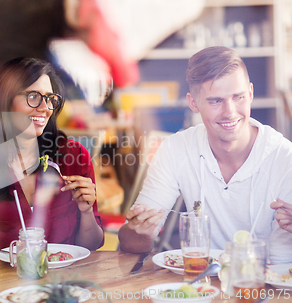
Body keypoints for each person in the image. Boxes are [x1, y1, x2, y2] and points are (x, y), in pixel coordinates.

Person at [118, 46, 292, 264]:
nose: (230, 111)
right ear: (193, 103)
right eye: (215, 101)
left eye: (238, 97)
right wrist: (139, 232)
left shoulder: (285, 159)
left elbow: (282, 266)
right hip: (201, 285)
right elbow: (130, 244)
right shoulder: (175, 149)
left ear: (250, 94)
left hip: (260, 289)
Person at [0, 57, 104, 254]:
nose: (44, 108)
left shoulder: (73, 156)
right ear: (4, 100)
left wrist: (86, 212)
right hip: (8, 282)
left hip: (65, 279)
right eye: (33, 96)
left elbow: (91, 246)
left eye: (50, 99)